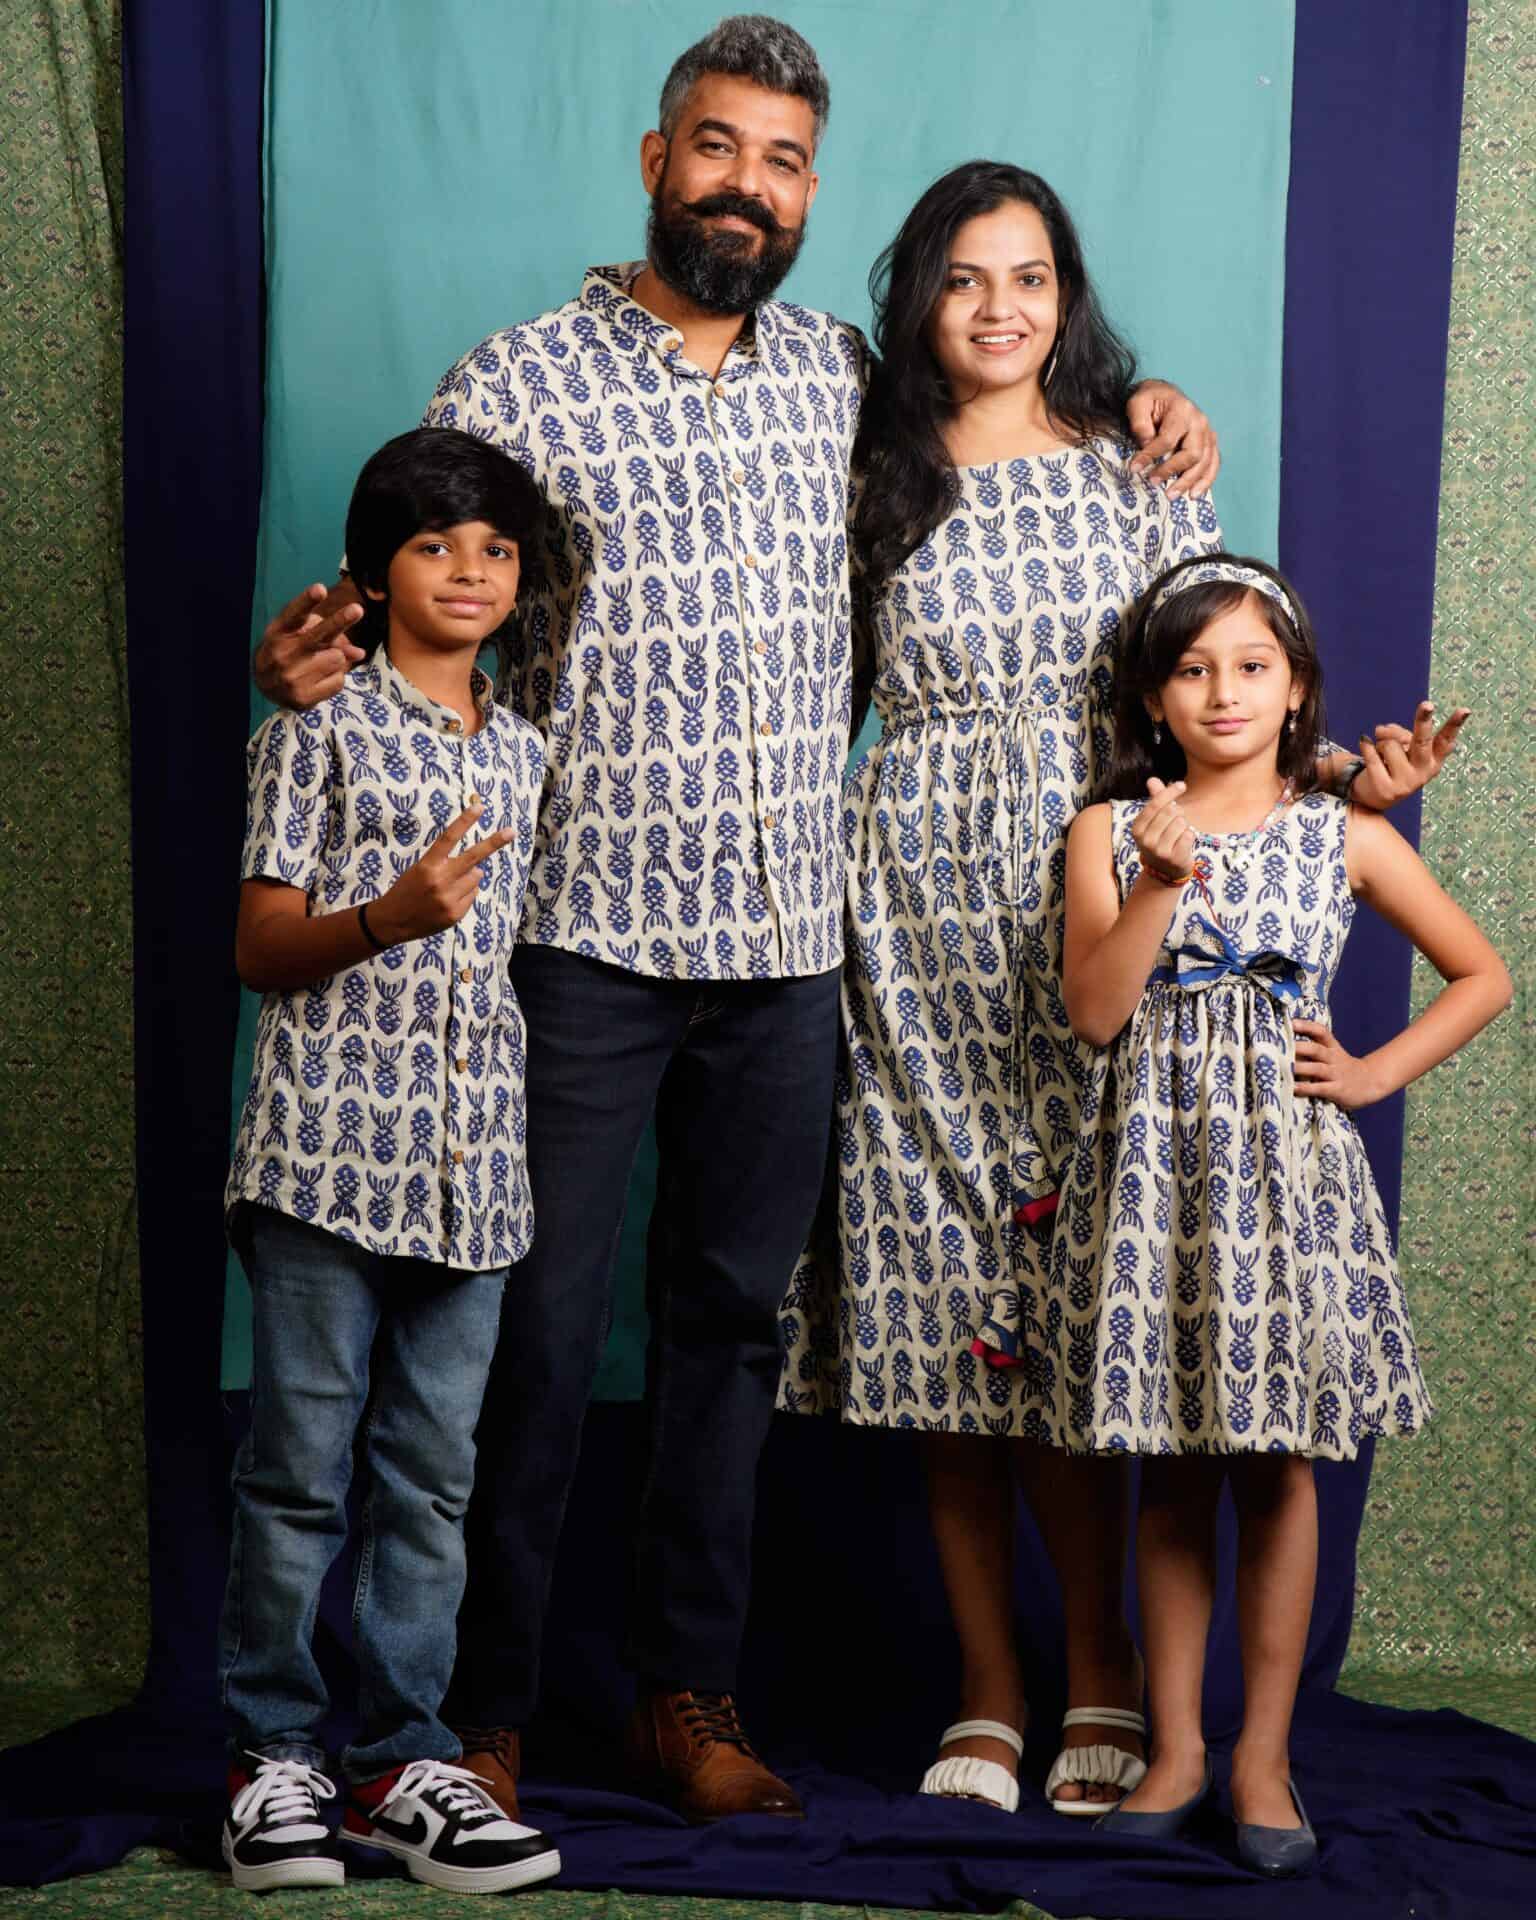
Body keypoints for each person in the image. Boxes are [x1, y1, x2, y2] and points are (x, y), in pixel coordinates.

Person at [252, 19, 1220, 1826]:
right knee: (538, 1333)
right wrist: (305, 656)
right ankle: (485, 1708)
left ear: (810, 191)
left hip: (791, 947)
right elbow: (417, 587)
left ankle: (682, 1696)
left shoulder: (846, 378)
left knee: (728, 1336)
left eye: (781, 163)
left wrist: (1148, 403)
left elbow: (1013, 416)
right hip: (580, 934)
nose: (745, 188)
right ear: (655, 160)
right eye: (717, 149)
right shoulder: (516, 377)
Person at [776, 161, 1469, 1818]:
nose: (998, 308)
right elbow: (791, 684)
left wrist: (1345, 790)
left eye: (1030, 278)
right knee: (941, 1293)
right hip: (918, 921)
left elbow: (1223, 693)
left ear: (1067, 297)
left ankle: (1104, 1674)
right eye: (964, 278)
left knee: (1070, 1296)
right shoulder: (861, 477)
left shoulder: (1141, 471)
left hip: (1108, 910)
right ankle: (988, 1690)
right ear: (919, 300)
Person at [1045, 553, 1509, 1874]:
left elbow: (1482, 976)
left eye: (1252, 666)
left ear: (1297, 687)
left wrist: (1370, 1074)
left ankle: (1261, 1754)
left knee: (1279, 1465)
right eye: (1192, 670)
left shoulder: (1344, 835)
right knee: (1174, 1465)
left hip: (1286, 1188)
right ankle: (1177, 1750)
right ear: (1153, 698)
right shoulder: (1108, 832)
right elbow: (1095, 1014)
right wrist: (1158, 883)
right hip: (1158, 1185)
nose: (1223, 692)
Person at [219, 428, 561, 1895]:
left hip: (474, 1170)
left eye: (495, 548)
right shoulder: (316, 729)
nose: (468, 571)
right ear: (372, 573)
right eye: (434, 545)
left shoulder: (527, 751)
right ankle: (272, 1757)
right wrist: (388, 919)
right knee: (301, 1470)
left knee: (431, 1480)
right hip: (323, 1157)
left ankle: (402, 1762)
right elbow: (258, 947)